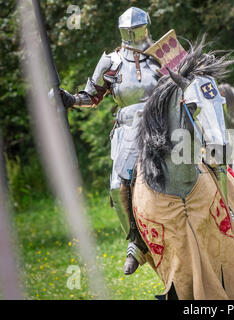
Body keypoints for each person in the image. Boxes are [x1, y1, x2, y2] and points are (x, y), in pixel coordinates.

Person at [56, 7, 160, 275]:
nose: (135, 34)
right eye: (130, 30)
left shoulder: (164, 52)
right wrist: (69, 99)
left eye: (138, 29)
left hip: (163, 123)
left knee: (201, 162)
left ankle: (226, 213)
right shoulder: (111, 61)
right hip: (127, 129)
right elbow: (91, 96)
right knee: (116, 186)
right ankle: (135, 244)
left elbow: (190, 81)